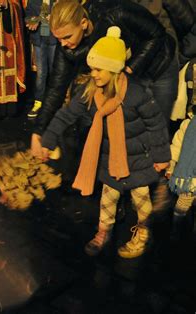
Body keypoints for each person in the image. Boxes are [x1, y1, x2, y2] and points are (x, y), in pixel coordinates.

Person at [40, 27, 170, 258]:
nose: (94, 74)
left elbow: (156, 124)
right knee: (108, 197)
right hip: (111, 157)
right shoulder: (91, 91)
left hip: (139, 157)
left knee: (140, 198)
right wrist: (48, 139)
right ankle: (103, 231)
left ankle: (143, 231)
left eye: (99, 69)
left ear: (114, 69)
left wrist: (161, 157)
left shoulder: (137, 93)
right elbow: (66, 114)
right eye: (92, 69)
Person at [30, 0, 177, 158]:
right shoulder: (66, 46)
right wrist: (39, 130)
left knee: (156, 125)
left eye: (67, 37)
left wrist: (129, 70)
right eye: (58, 39)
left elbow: (157, 34)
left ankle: (159, 177)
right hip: (126, 73)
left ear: (84, 23)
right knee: (130, 129)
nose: (63, 44)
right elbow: (56, 88)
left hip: (159, 64)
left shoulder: (115, 13)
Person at [0, 0, 26, 119]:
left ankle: (9, 109)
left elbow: (17, 6)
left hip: (7, 36)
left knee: (8, 64)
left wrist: (7, 4)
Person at [25, 0, 57, 119]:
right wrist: (33, 20)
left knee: (55, 72)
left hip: (54, 39)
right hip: (39, 40)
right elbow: (27, 16)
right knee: (41, 73)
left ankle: (54, 103)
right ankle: (38, 102)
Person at [167, 113, 195, 240]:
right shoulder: (189, 124)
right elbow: (177, 145)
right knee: (181, 208)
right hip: (188, 179)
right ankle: (177, 235)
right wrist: (171, 165)